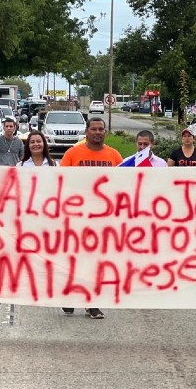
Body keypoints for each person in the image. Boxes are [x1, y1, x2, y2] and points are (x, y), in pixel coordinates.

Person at [60, 117, 123, 319]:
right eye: (93, 129)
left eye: (101, 129)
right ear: (86, 132)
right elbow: (61, 182)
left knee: (96, 262)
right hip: (77, 216)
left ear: (105, 132)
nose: (97, 132)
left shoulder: (114, 156)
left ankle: (92, 303)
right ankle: (70, 296)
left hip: (103, 219)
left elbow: (124, 184)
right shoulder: (73, 154)